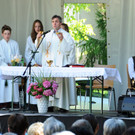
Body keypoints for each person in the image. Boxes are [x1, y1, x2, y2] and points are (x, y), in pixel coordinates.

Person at [36, 15, 76, 111]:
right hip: (49, 64)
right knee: (49, 84)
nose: (54, 23)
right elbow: (41, 48)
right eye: (53, 21)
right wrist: (38, 39)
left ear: (60, 23)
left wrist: (62, 40)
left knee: (60, 86)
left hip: (60, 64)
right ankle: (49, 105)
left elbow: (69, 50)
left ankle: (62, 106)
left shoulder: (66, 35)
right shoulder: (47, 34)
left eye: (56, 21)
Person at [0, 25, 20, 107]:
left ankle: (13, 101)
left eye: (8, 34)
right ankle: (3, 102)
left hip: (12, 68)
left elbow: (17, 55)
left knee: (13, 84)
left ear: (10, 34)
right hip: (3, 68)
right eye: (5, 34)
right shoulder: (0, 44)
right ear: (2, 34)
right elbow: (0, 57)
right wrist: (6, 64)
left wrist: (14, 62)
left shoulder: (14, 43)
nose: (7, 35)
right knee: (3, 85)